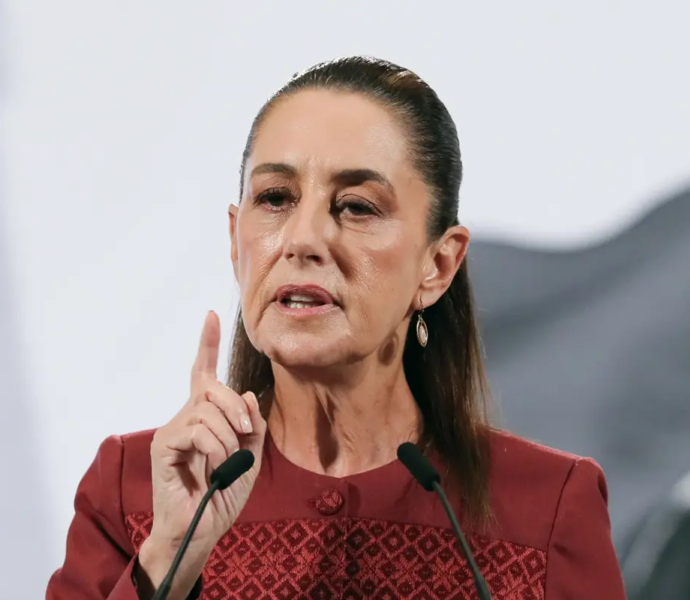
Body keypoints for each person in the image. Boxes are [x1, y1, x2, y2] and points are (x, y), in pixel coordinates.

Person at [47, 56, 625, 599]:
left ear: (438, 264)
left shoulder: (548, 507)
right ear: (235, 240)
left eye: (356, 206)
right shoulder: (134, 490)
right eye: (275, 198)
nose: (303, 240)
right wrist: (170, 554)